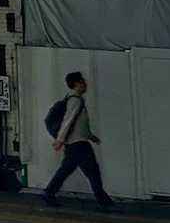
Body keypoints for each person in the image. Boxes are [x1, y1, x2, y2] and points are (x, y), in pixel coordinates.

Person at [43, 70, 117, 211]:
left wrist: (91, 136)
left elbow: (79, 125)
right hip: (78, 144)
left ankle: (49, 192)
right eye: (83, 82)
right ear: (77, 84)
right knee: (93, 172)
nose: (85, 84)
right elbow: (68, 121)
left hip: (75, 143)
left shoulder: (74, 100)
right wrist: (59, 140)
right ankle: (105, 203)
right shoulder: (75, 100)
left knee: (66, 170)